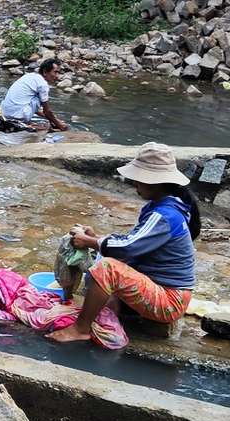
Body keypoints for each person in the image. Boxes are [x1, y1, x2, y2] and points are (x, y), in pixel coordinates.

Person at [50, 142, 200, 343]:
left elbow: (128, 248)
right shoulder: (163, 208)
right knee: (106, 262)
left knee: (107, 268)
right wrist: (95, 239)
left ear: (154, 182)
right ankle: (113, 313)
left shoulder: (165, 216)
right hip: (159, 287)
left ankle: (80, 329)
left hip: (169, 300)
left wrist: (89, 241)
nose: (134, 185)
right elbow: (132, 244)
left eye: (138, 180)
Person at [0, 58, 68, 132]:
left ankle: (21, 122)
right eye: (55, 72)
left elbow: (36, 109)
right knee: (40, 101)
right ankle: (24, 123)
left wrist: (54, 119)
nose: (57, 76)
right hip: (16, 115)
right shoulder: (42, 84)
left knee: (37, 102)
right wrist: (60, 125)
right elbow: (47, 111)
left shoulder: (30, 76)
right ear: (45, 72)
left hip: (5, 114)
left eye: (58, 73)